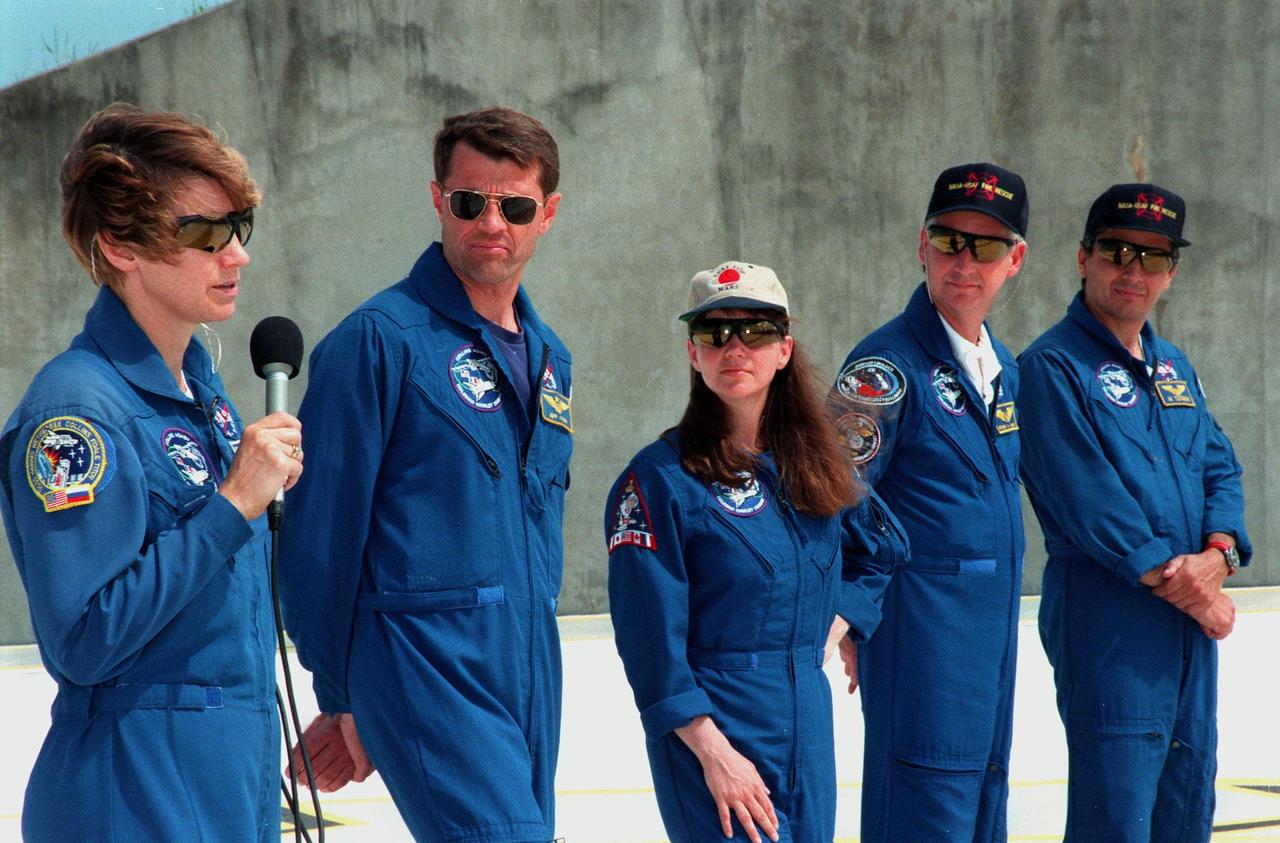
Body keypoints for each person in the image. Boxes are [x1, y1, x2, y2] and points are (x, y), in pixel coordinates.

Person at [0, 103, 303, 841]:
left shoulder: (204, 392)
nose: (236, 255)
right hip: (132, 797)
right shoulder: (76, 412)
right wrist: (231, 505)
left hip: (228, 784)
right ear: (120, 247)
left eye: (240, 228)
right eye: (204, 233)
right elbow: (84, 638)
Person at [279, 106, 570, 842]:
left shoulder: (550, 358)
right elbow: (320, 535)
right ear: (439, 199)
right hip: (425, 661)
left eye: (516, 206)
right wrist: (344, 695)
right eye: (470, 202)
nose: (491, 222)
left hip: (530, 663)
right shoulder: (377, 343)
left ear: (549, 214)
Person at [606, 262, 901, 843]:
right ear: (693, 354)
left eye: (755, 331)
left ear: (785, 349)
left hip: (806, 721)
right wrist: (716, 756)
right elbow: (650, 647)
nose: (733, 347)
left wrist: (835, 624)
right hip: (715, 727)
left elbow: (882, 547)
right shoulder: (660, 480)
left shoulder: (815, 464)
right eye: (714, 333)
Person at [1018, 183, 1248, 841]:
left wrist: (1221, 552)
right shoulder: (1051, 368)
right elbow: (1092, 504)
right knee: (1116, 818)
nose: (1133, 271)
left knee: (1184, 807)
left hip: (1185, 635)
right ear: (1084, 257)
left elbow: (1219, 465)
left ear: (1171, 271)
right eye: (1117, 251)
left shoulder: (1175, 367)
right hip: (1111, 622)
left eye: (1152, 257)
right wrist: (1195, 592)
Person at [833, 163, 1029, 841]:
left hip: (988, 650)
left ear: (1016, 261)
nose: (964, 261)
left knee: (979, 816)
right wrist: (858, 614)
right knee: (925, 813)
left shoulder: (1000, 366)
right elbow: (833, 496)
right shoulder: (885, 368)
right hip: (925, 651)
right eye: (949, 241)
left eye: (986, 246)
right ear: (923, 245)